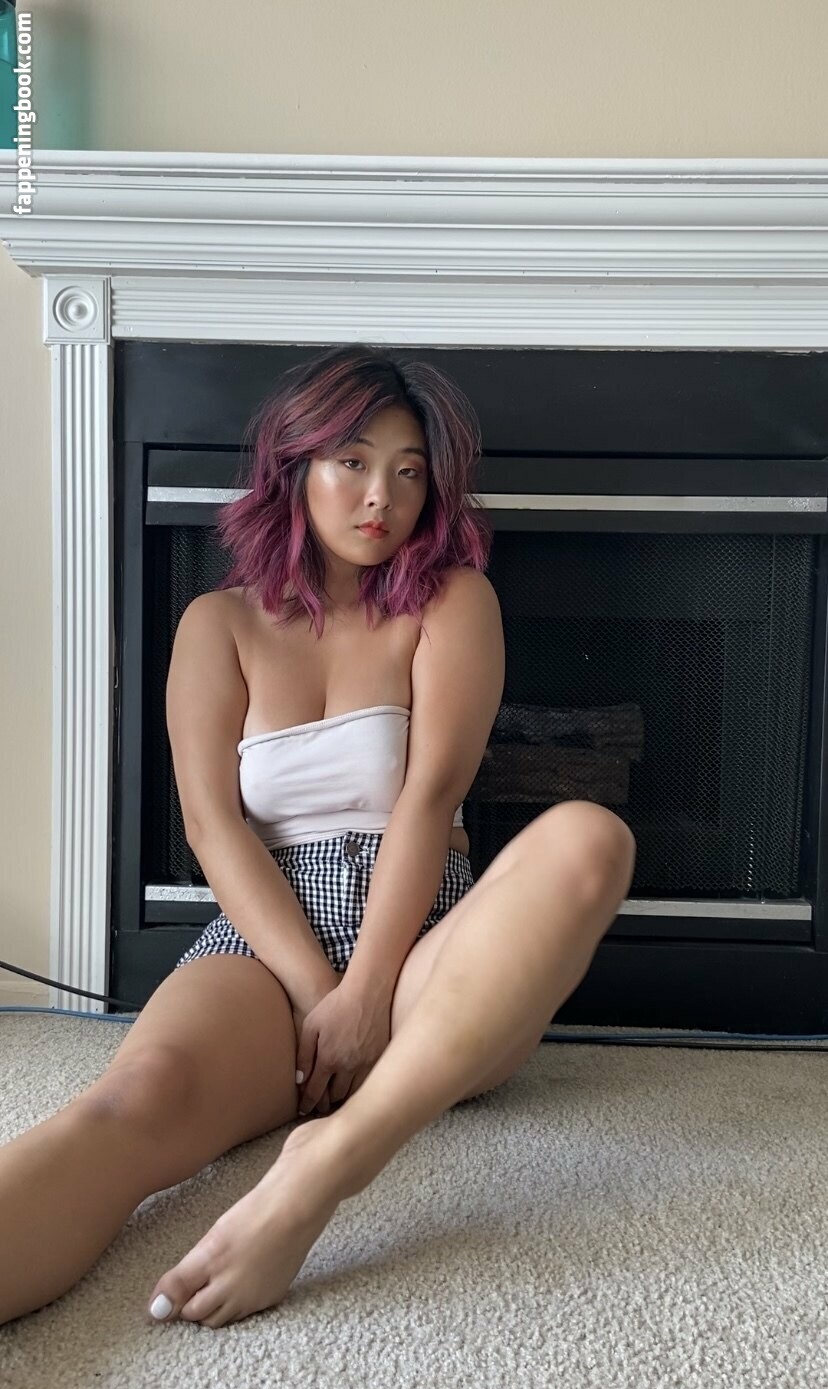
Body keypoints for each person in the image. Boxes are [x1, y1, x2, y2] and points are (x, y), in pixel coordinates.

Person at [0, 344, 636, 1331]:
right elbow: (212, 825)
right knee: (130, 1101)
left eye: (409, 471)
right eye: (352, 461)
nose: (383, 495)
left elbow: (428, 800)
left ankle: (327, 1164)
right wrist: (315, 993)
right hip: (265, 949)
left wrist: (371, 991)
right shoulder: (216, 624)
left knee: (590, 839)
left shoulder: (452, 602)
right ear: (293, 466)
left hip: (423, 952)